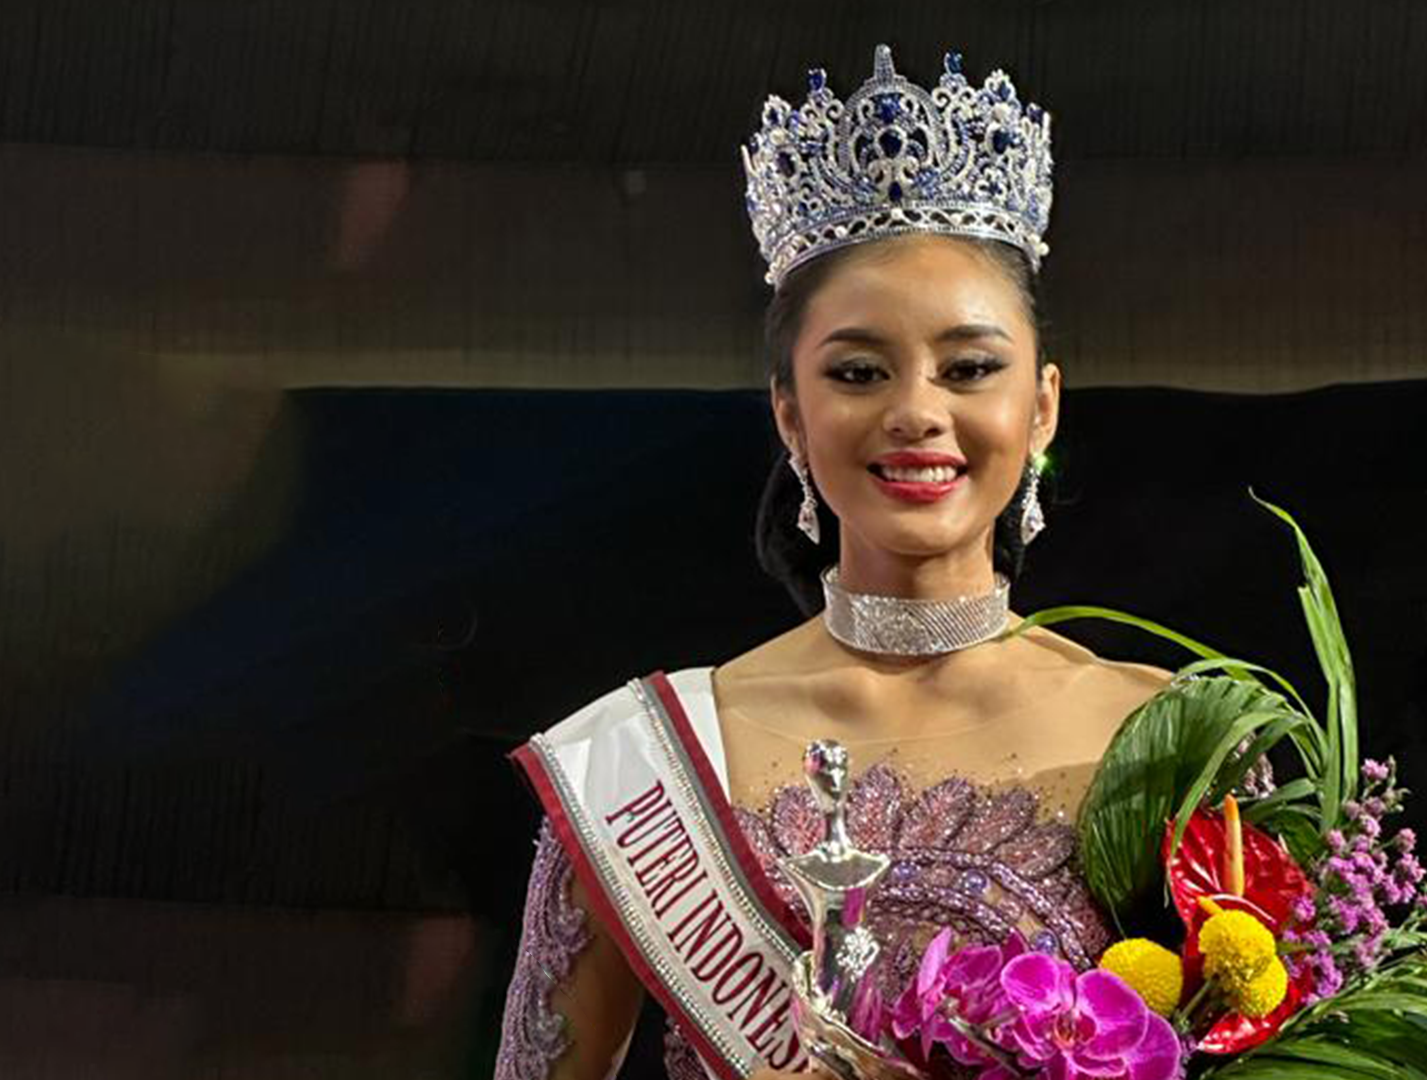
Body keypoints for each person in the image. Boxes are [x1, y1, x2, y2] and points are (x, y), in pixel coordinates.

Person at [493, 45, 1168, 1080]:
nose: (916, 412)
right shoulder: (647, 764)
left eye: (969, 368)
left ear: (1041, 408)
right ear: (790, 415)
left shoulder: (1160, 734)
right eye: (858, 372)